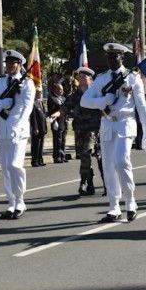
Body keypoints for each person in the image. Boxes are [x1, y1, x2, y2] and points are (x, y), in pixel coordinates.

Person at [81, 43, 146, 223]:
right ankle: (114, 206)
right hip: (107, 124)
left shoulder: (132, 78)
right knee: (108, 166)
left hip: (125, 123)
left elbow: (142, 106)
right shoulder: (102, 79)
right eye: (109, 57)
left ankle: (130, 202)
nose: (112, 60)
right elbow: (85, 100)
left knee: (121, 161)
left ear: (122, 57)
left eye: (115, 57)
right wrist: (103, 100)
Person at [0, 50, 36, 219]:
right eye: (8, 63)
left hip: (18, 131)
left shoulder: (27, 83)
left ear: (20, 65)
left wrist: (18, 125)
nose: (10, 66)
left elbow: (27, 108)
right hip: (3, 129)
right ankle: (11, 203)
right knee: (6, 169)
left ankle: (20, 201)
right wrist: (1, 104)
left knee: (15, 165)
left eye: (14, 63)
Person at [50, 67, 102, 196]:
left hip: (94, 130)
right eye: (79, 77)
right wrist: (56, 114)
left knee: (100, 158)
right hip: (80, 130)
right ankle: (88, 183)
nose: (81, 79)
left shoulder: (97, 93)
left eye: (84, 77)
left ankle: (106, 183)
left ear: (90, 79)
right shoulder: (75, 96)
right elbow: (65, 108)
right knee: (84, 157)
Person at [47, 83, 68, 163]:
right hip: (57, 122)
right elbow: (51, 111)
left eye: (62, 89)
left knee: (63, 140)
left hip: (64, 121)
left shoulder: (63, 98)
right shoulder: (51, 98)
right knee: (57, 140)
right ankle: (57, 157)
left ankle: (62, 155)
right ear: (55, 89)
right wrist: (54, 122)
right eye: (60, 89)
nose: (61, 91)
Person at [29, 89, 48, 167]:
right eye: (38, 92)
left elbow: (43, 116)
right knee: (36, 145)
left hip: (42, 127)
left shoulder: (41, 102)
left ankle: (40, 160)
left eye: (40, 92)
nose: (40, 94)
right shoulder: (33, 103)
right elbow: (33, 117)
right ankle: (34, 161)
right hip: (37, 128)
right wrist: (35, 128)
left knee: (41, 145)